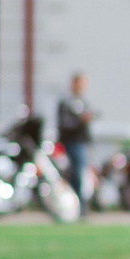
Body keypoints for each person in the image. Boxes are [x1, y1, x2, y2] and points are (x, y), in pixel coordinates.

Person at [55, 72, 96, 206]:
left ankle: (80, 205)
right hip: (71, 143)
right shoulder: (67, 102)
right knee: (75, 174)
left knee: (82, 175)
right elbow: (64, 124)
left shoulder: (83, 102)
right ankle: (77, 205)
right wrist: (80, 121)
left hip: (82, 142)